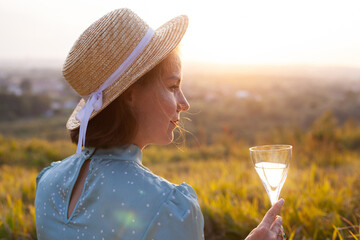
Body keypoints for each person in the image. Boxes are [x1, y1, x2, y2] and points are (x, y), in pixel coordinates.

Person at [34, 8, 285, 240]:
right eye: (172, 86)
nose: (184, 103)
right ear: (131, 94)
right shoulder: (166, 205)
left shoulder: (48, 183)